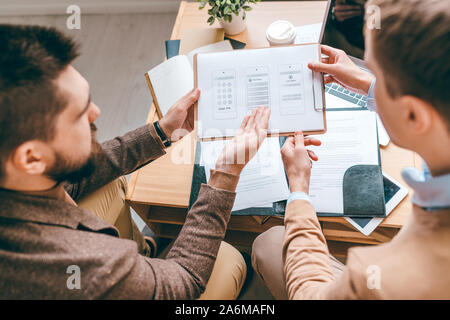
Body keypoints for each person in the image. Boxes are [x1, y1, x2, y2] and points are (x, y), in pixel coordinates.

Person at [0, 24, 271, 299]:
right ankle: (139, 270)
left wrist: (162, 131)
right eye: (79, 114)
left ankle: (141, 256)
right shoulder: (80, 263)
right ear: (31, 158)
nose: (96, 112)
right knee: (227, 258)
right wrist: (225, 173)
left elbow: (78, 176)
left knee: (104, 177)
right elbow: (185, 281)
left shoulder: (15, 171)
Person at [252, 0, 450, 299]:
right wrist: (371, 86)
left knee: (267, 244)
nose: (369, 75)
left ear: (414, 115)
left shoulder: (383, 277)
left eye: (375, 72)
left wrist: (299, 191)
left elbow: (308, 295)